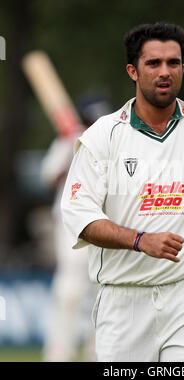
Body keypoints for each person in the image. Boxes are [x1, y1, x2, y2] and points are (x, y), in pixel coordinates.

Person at [61, 22, 184, 362]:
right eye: (153, 63)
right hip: (122, 301)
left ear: (183, 68)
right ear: (133, 71)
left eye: (173, 63)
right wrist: (141, 240)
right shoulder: (102, 137)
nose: (164, 72)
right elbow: (81, 219)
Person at [41, 93, 111, 362]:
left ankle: (97, 355)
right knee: (69, 292)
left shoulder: (109, 140)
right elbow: (48, 177)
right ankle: (58, 355)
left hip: (102, 223)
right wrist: (74, 154)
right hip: (70, 225)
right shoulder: (68, 140)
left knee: (101, 294)